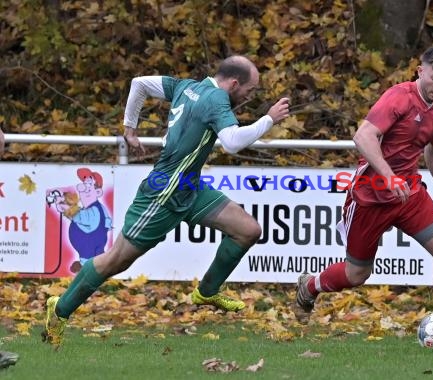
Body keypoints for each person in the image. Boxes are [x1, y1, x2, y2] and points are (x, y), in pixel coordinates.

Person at [43, 55, 290, 347]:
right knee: (114, 261)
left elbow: (140, 84)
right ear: (234, 83)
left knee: (248, 230)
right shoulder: (216, 100)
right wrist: (269, 119)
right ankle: (59, 311)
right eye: (250, 90)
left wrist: (130, 128)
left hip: (189, 187)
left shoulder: (185, 86)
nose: (250, 95)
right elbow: (233, 142)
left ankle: (207, 291)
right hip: (162, 194)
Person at [293, 45, 433, 345]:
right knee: (357, 274)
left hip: (409, 193)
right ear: (420, 70)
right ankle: (310, 285)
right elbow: (363, 136)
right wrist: (389, 176)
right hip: (371, 196)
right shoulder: (399, 96)